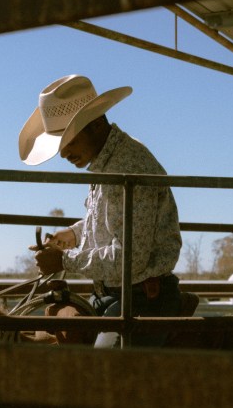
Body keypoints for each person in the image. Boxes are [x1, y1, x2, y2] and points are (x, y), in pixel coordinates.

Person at [20, 74, 183, 346]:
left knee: (100, 376)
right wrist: (72, 234)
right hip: (118, 296)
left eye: (69, 141)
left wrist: (64, 260)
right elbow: (112, 220)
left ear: (95, 124)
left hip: (141, 300)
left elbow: (130, 258)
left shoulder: (128, 168)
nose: (63, 154)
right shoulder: (108, 161)